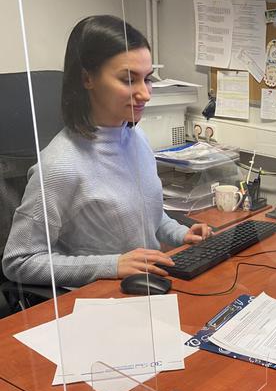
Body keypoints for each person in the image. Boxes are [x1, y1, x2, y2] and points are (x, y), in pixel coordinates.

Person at [2, 15, 211, 287]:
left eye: (147, 79)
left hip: (148, 289)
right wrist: (111, 265)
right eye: (128, 80)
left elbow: (151, 218)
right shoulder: (60, 165)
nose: (146, 94)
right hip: (97, 303)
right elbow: (19, 261)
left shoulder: (136, 138)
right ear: (87, 78)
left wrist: (181, 235)